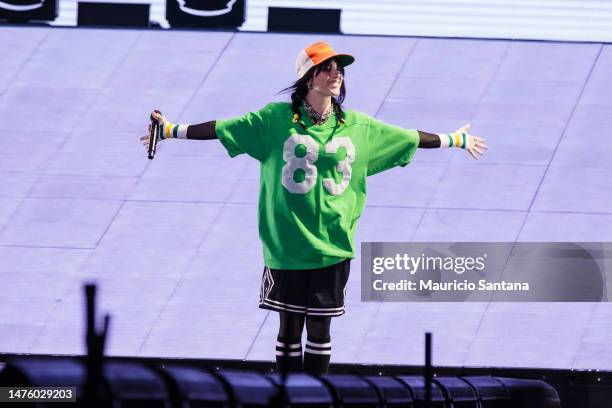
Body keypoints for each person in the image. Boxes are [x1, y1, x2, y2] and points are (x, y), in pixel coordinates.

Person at [140, 41, 487, 376]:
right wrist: (170, 130)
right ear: (309, 76)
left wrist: (455, 139)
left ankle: (314, 396)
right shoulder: (275, 120)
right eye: (327, 69)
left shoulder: (359, 127)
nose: (336, 75)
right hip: (287, 246)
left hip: (332, 247)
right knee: (289, 328)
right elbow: (222, 128)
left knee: (321, 330)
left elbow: (409, 137)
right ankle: (288, 396)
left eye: (339, 70)